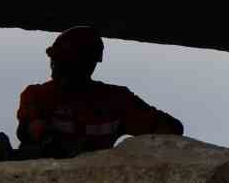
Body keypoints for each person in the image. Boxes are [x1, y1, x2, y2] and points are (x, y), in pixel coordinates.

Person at [15, 26, 183, 157]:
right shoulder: (38, 95)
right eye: (55, 60)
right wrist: (49, 139)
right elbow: (27, 130)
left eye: (63, 61)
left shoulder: (116, 100)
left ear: (87, 64)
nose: (54, 67)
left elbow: (171, 128)